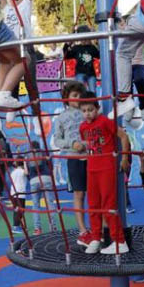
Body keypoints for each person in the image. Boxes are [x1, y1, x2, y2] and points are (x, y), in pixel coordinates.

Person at [77, 91, 131, 254]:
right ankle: (95, 238)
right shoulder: (83, 127)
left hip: (106, 167)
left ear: (97, 108)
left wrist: (124, 158)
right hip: (91, 168)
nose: (87, 113)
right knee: (93, 205)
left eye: (90, 110)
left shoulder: (105, 122)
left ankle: (120, 241)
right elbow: (88, 145)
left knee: (109, 205)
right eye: (84, 110)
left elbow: (123, 136)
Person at [0, 0, 40, 119]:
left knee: (30, 83)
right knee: (13, 82)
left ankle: (36, 115)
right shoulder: (6, 8)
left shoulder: (25, 5)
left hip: (27, 47)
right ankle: (12, 110)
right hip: (12, 48)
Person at [52, 81, 89, 242]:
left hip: (92, 157)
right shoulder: (61, 117)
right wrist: (71, 144)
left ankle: (99, 225)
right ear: (66, 98)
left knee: (95, 193)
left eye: (80, 95)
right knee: (79, 193)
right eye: (74, 95)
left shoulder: (87, 111)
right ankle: (82, 229)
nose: (78, 98)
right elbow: (57, 140)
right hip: (74, 159)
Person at [118, 14, 144, 121]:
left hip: (140, 64)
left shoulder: (141, 35)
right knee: (126, 82)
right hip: (127, 65)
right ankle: (128, 107)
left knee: (139, 79)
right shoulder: (123, 34)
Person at [27, 141, 57, 235]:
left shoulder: (27, 156)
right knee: (50, 203)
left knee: (35, 205)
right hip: (46, 178)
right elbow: (51, 166)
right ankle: (53, 226)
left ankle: (37, 229)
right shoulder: (45, 153)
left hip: (34, 180)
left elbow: (27, 171)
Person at [63, 26, 100, 94]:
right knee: (81, 91)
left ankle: (94, 103)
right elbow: (66, 56)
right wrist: (68, 43)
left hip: (91, 73)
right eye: (83, 39)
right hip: (80, 72)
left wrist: (97, 39)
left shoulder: (92, 48)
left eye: (87, 38)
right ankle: (82, 103)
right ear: (80, 39)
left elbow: (100, 55)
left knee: (93, 92)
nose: (85, 40)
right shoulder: (76, 48)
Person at [9, 160, 28, 233]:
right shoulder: (21, 171)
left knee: (17, 210)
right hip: (20, 193)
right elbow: (26, 173)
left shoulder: (13, 172)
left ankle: (17, 225)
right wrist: (25, 163)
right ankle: (15, 226)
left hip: (13, 192)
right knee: (20, 210)